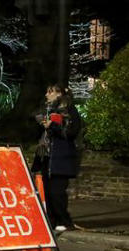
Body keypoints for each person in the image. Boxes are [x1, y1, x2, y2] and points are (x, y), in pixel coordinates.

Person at [31, 84, 82, 232]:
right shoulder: (46, 109)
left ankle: (65, 221)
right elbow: (39, 135)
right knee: (47, 191)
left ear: (59, 94)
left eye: (50, 92)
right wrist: (41, 124)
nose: (47, 95)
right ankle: (52, 221)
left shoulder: (69, 110)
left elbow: (71, 132)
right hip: (46, 156)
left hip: (61, 156)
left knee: (57, 192)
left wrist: (53, 125)